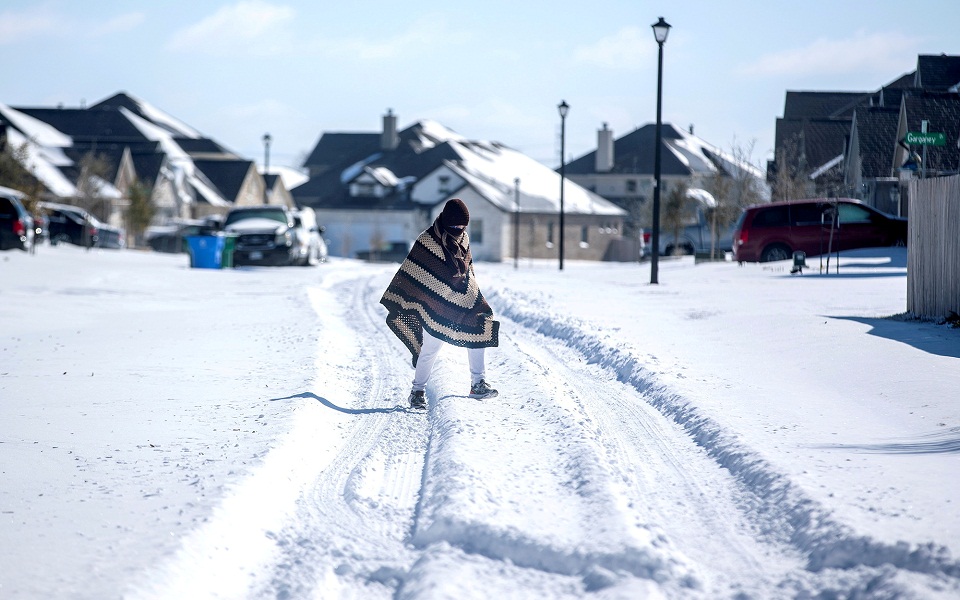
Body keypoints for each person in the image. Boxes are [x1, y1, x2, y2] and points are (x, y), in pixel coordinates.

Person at [380, 198, 500, 410]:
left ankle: (477, 384)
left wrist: (471, 292)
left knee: (480, 326)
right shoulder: (427, 240)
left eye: (463, 226)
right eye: (455, 226)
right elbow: (415, 271)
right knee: (430, 349)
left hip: (462, 299)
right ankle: (417, 391)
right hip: (434, 304)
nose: (459, 230)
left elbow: (468, 270)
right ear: (446, 221)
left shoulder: (464, 238)